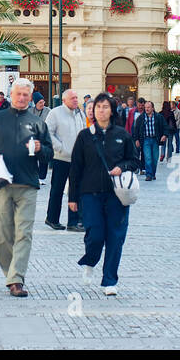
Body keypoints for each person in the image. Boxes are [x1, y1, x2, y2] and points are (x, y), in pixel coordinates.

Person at [0, 78, 52, 297]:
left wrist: (40, 148)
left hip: (28, 184)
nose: (21, 98)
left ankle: (16, 278)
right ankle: (9, 272)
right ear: (11, 95)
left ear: (30, 98)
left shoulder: (38, 122)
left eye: (25, 95)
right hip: (2, 184)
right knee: (3, 234)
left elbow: (49, 153)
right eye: (18, 94)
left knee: (24, 232)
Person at [68, 93, 140, 296]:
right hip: (89, 193)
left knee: (115, 238)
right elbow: (75, 168)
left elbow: (134, 162)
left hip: (117, 194)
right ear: (92, 110)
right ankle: (90, 261)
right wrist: (72, 198)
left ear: (112, 110)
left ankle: (109, 280)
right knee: (95, 234)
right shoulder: (84, 136)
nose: (101, 110)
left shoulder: (122, 135)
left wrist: (121, 167)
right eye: (98, 107)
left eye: (105, 107)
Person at [44, 89, 86, 231]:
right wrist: (59, 147)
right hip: (61, 158)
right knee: (57, 189)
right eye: (72, 98)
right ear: (64, 100)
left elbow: (84, 132)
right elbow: (47, 132)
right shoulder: (55, 113)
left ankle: (73, 222)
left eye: (76, 97)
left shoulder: (79, 113)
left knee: (75, 190)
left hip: (77, 159)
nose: (75, 100)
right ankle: (52, 218)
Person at [133, 101, 165, 181]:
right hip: (145, 140)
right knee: (148, 157)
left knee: (155, 158)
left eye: (148, 107)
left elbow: (165, 127)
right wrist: (136, 139)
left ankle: (153, 174)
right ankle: (149, 175)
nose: (146, 109)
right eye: (146, 107)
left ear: (152, 108)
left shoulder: (158, 117)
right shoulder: (141, 118)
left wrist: (165, 135)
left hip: (155, 140)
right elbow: (136, 129)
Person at [31, 95, 50, 183]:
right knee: (32, 157)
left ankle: (42, 177)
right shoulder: (30, 111)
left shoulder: (48, 111)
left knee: (43, 157)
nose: (42, 104)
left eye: (43, 102)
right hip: (32, 137)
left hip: (44, 136)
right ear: (35, 103)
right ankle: (34, 176)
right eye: (40, 102)